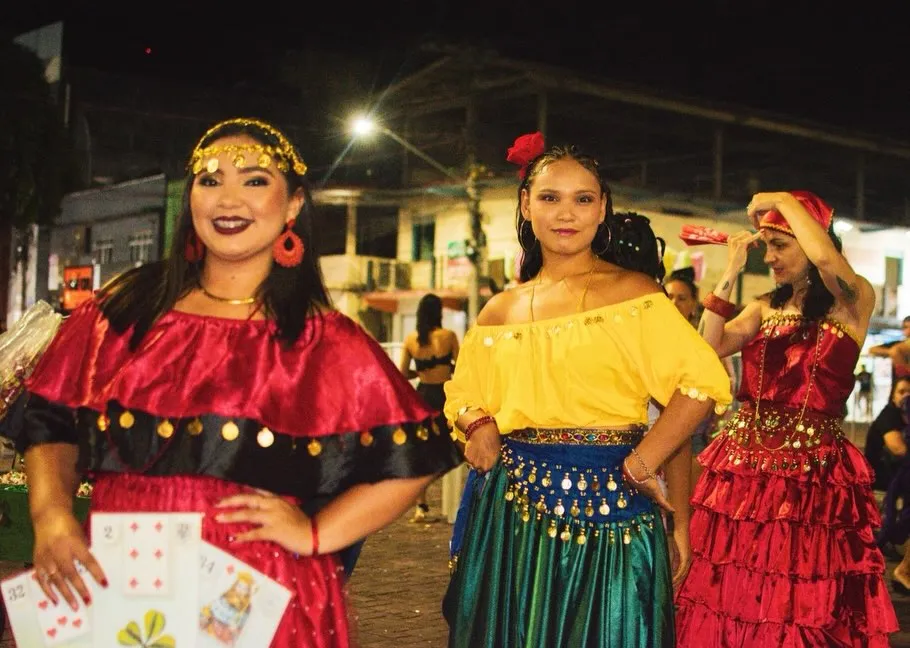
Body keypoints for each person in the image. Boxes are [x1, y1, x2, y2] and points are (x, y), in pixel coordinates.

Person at [1, 117, 462, 646]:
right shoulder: (123, 313)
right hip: (124, 583)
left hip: (258, 596)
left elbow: (411, 460)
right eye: (210, 179)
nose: (228, 198)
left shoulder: (324, 341)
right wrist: (52, 515)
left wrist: (315, 534)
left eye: (255, 180)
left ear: (293, 206)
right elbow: (50, 420)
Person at [442, 132, 733, 647]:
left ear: (602, 211)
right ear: (527, 204)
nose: (566, 213)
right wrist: (479, 422)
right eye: (551, 198)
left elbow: (700, 384)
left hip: (612, 510)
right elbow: (462, 391)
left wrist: (644, 462)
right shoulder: (500, 310)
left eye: (583, 199)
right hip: (511, 514)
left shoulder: (634, 294)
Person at [675, 190, 898, 647]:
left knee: (795, 599)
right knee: (729, 590)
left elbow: (825, 257)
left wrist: (781, 198)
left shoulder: (851, 301)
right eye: (767, 246)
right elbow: (706, 348)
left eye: (781, 245)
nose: (771, 257)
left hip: (810, 476)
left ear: (811, 241)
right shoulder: (762, 307)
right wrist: (730, 272)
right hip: (741, 473)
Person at [663, 268, 738, 476]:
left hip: (693, 440)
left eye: (681, 298)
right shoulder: (651, 338)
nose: (674, 303)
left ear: (693, 304)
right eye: (668, 296)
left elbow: (722, 391)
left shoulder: (703, 342)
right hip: (651, 437)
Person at [399, 292, 460, 522]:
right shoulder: (449, 336)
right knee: (453, 446)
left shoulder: (411, 339)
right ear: (439, 313)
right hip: (445, 395)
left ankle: (421, 506)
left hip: (423, 396)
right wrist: (445, 368)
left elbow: (403, 373)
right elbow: (462, 367)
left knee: (422, 450)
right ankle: (453, 499)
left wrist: (421, 371)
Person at [864, 376, 910, 492]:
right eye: (901, 392)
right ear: (893, 397)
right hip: (882, 480)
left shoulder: (905, 416)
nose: (906, 396)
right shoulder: (888, 415)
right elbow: (899, 449)